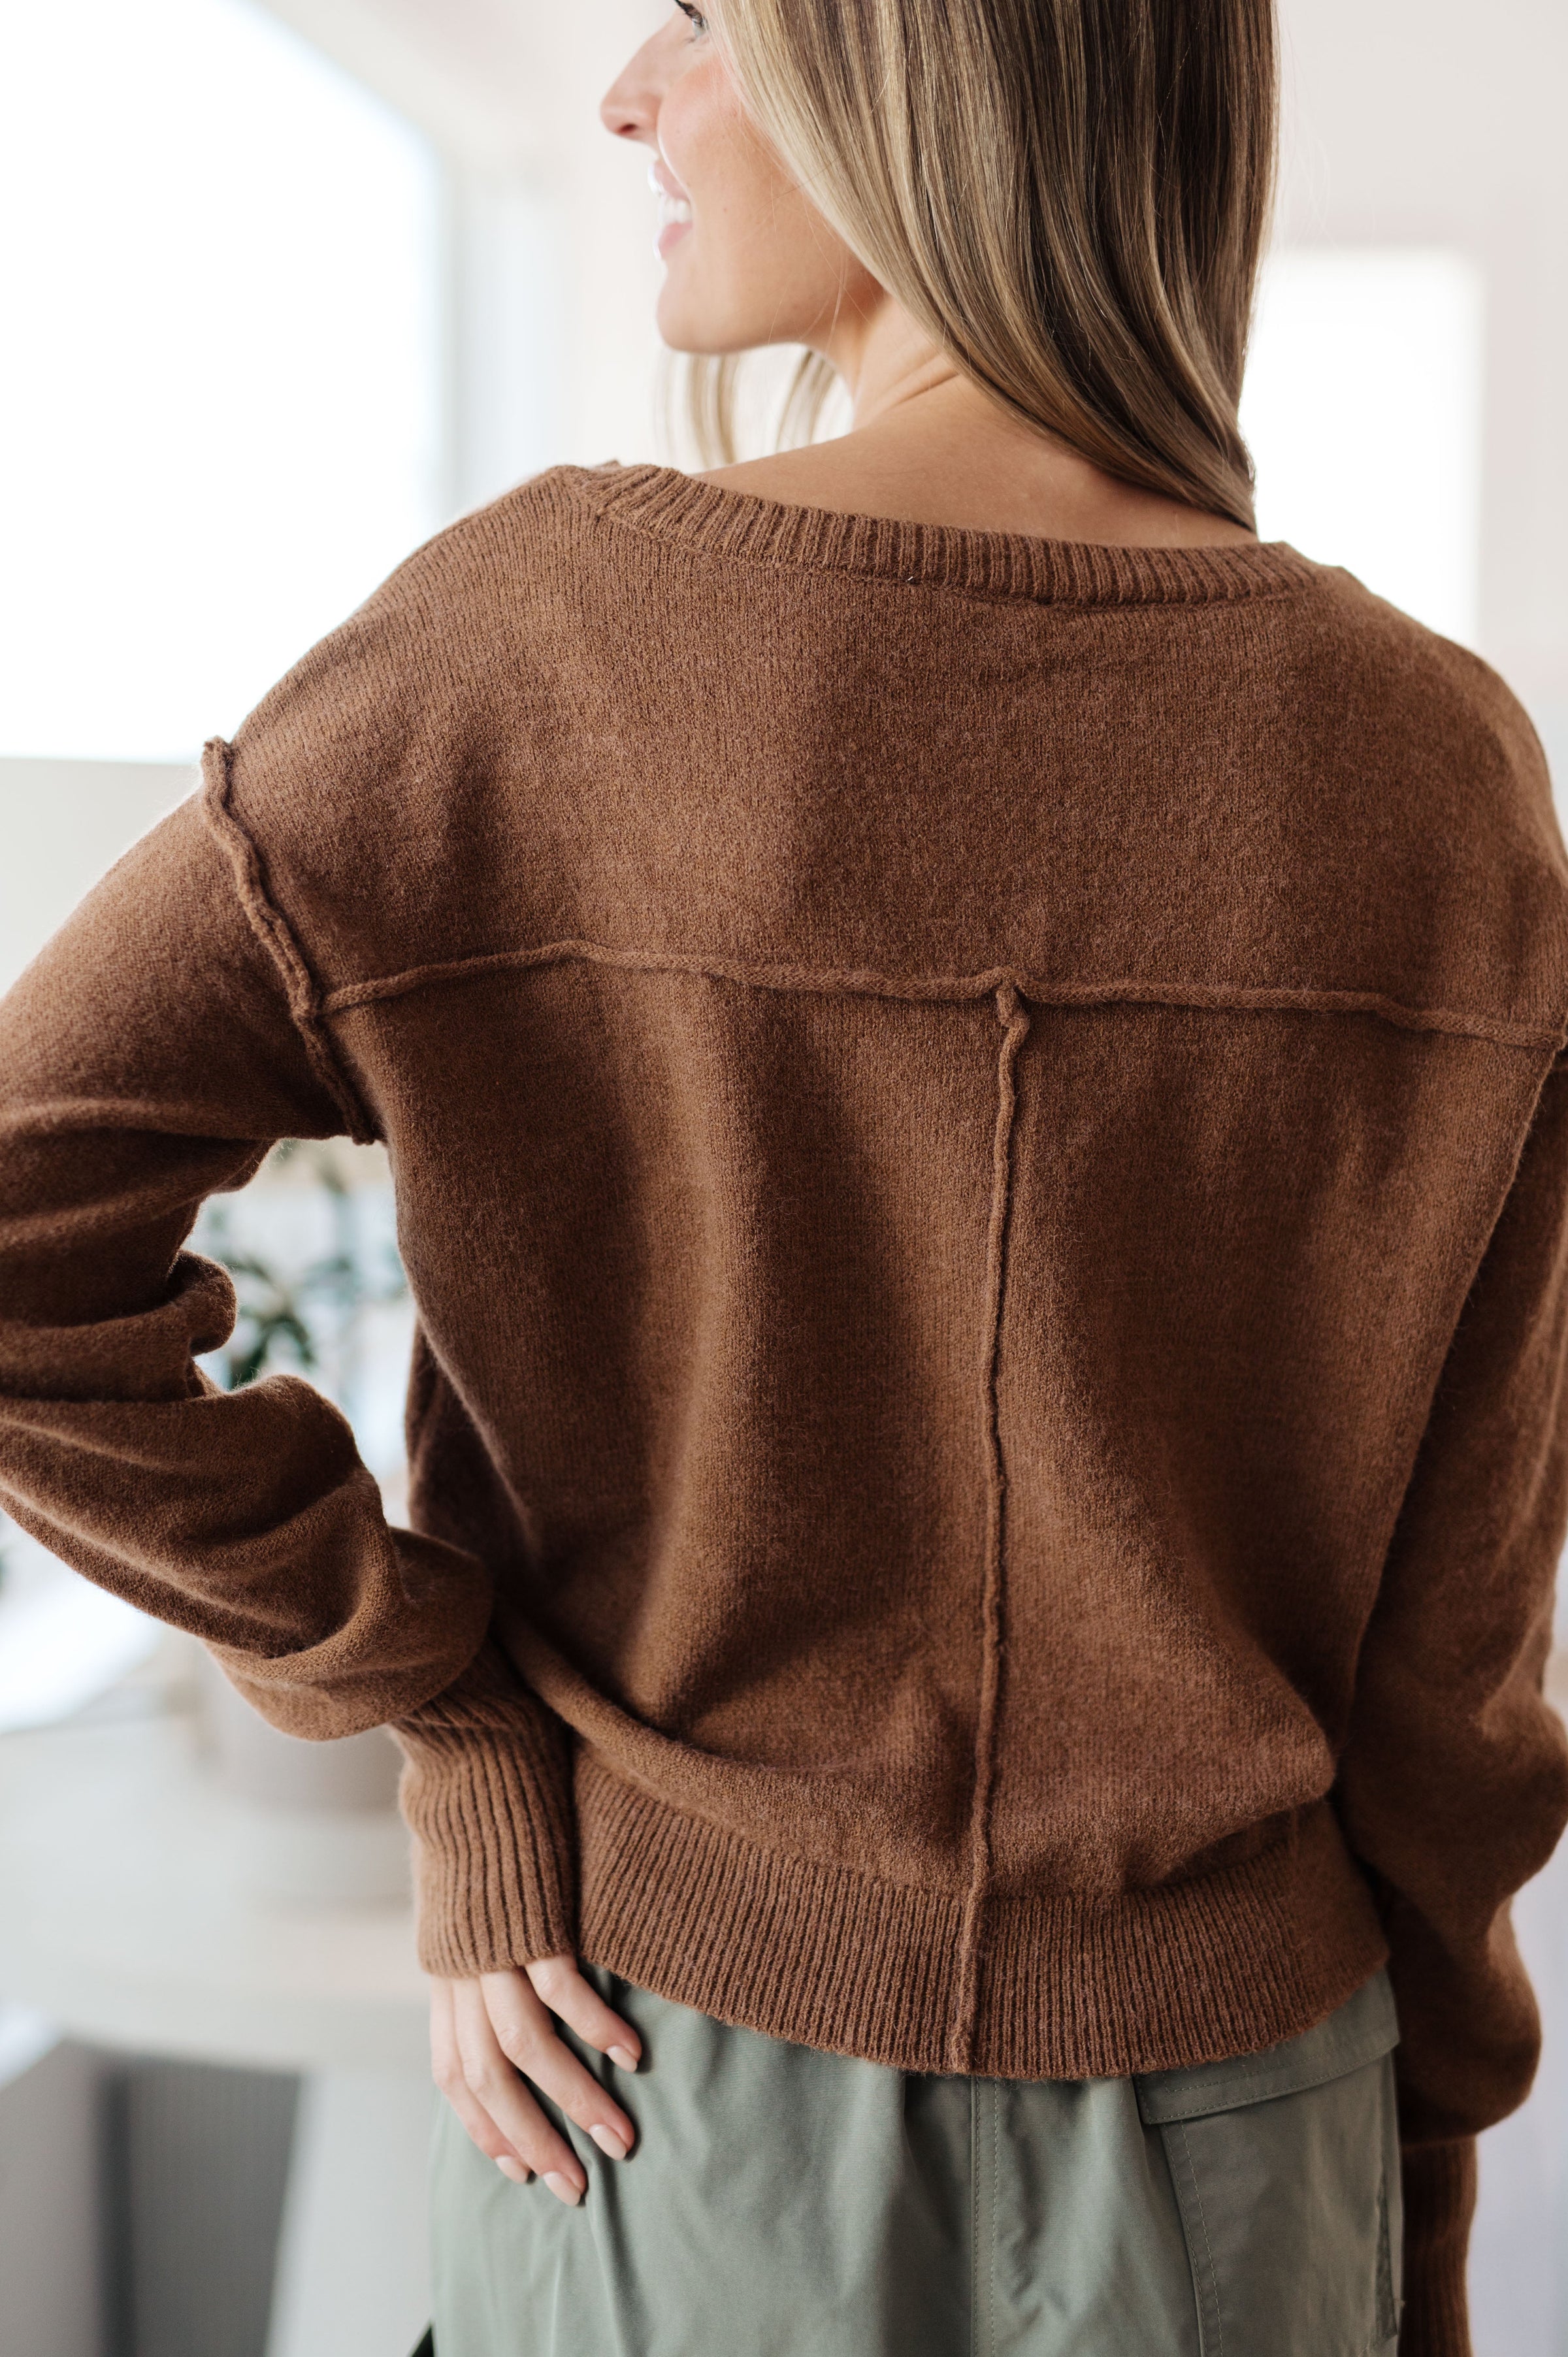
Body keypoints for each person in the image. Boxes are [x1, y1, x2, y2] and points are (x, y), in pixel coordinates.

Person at [1, 0, 1564, 2351]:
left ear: (922, 63)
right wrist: (1414, 2213)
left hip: (658, 2121)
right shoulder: (1441, 775)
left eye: (708, 14)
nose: (630, 89)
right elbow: (1460, 1664)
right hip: (1252, 2143)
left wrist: (450, 1715)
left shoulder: (533, 651)